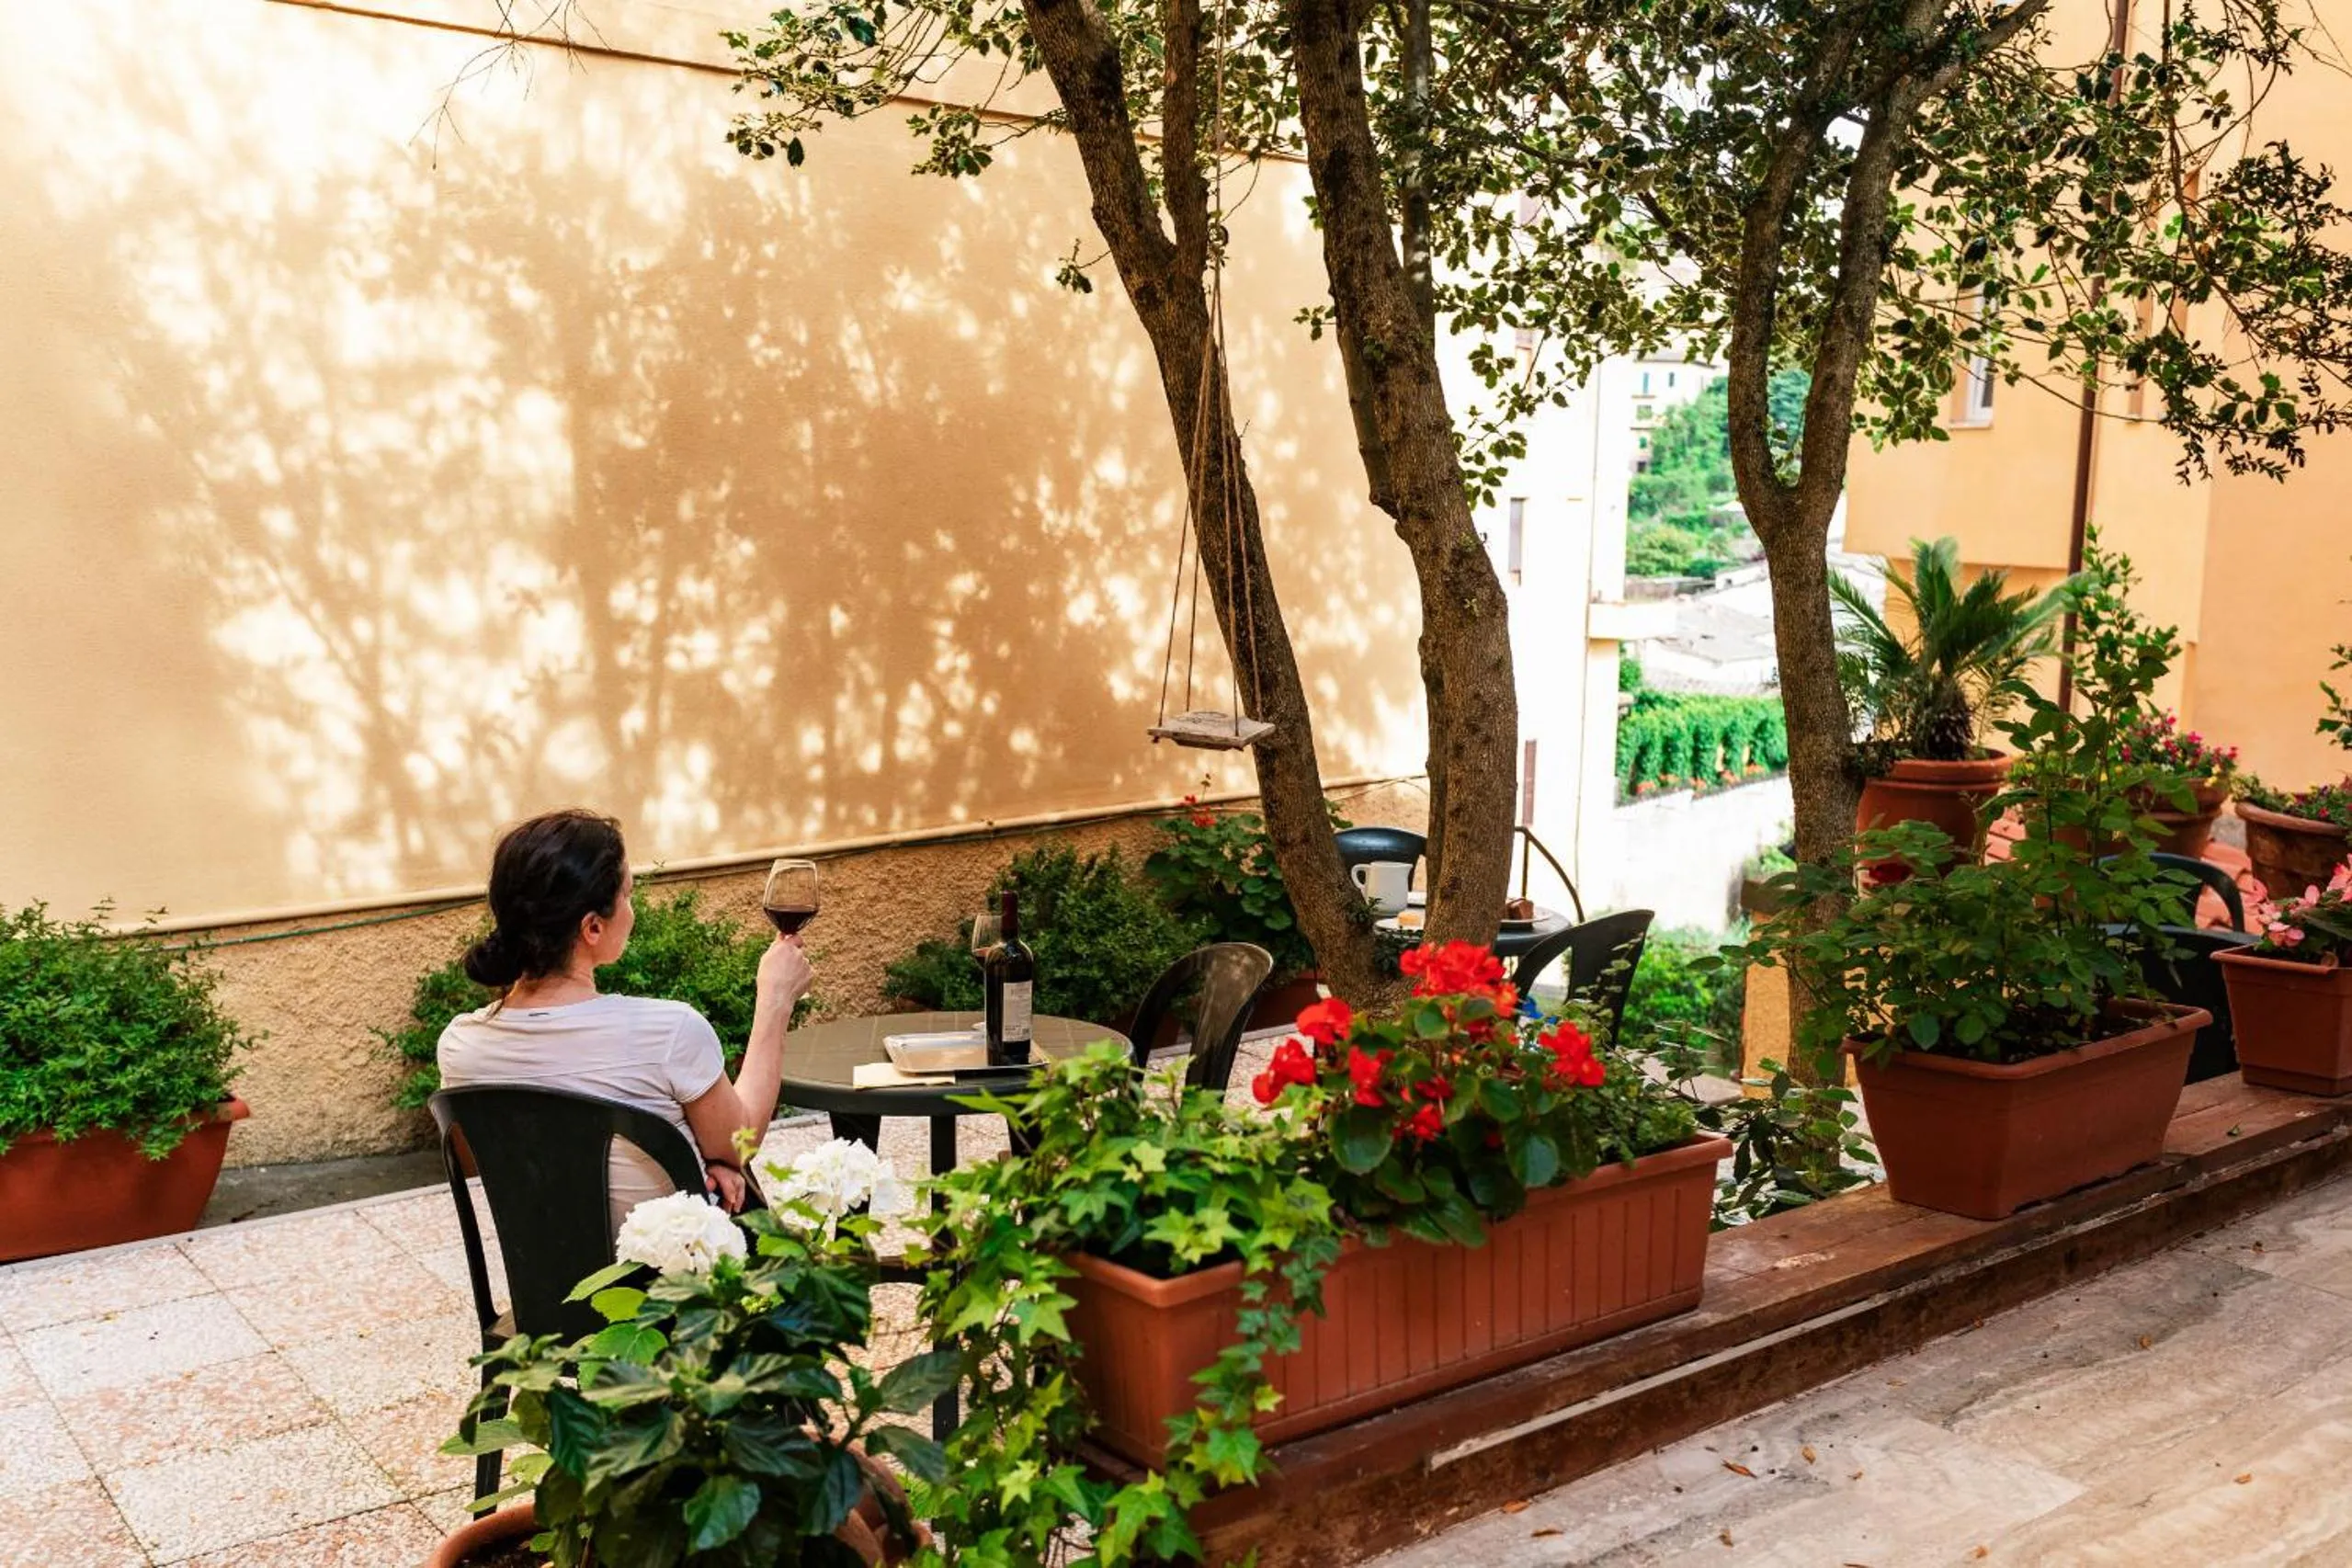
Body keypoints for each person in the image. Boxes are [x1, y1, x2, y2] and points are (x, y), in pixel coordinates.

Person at [437, 809, 812, 1229]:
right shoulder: (668, 1034)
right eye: (628, 896)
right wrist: (775, 1001)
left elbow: (491, 1166)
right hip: (672, 1285)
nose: (632, 911)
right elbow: (738, 1145)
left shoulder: (462, 1047)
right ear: (593, 927)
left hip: (550, 1287)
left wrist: (691, 1162)